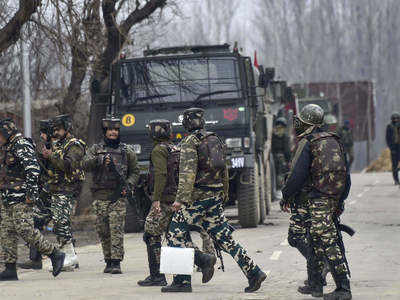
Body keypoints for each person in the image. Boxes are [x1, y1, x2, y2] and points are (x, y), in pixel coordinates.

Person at [162, 108, 267, 293]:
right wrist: (224, 193)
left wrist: (180, 200)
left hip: (196, 198)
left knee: (174, 234)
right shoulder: (214, 139)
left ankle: (183, 280)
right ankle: (254, 272)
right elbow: (224, 170)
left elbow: (188, 173)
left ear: (186, 123)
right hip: (214, 196)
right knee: (225, 238)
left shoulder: (189, 142)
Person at [282, 104, 352, 300]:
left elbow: (296, 175)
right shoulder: (334, 140)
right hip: (333, 198)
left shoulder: (308, 142)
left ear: (307, 124)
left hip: (318, 198)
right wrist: (341, 201)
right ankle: (315, 286)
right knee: (314, 240)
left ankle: (344, 289)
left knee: (328, 242)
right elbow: (346, 174)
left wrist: (286, 196)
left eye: (301, 122)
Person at [138, 119, 215, 286]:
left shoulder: (159, 150)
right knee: (176, 236)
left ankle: (158, 275)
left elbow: (161, 175)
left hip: (165, 200)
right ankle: (203, 260)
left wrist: (156, 199)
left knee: (150, 232)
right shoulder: (176, 148)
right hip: (177, 199)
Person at [0, 119, 65, 280]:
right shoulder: (8, 147)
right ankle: (10, 269)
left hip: (22, 197)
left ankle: (55, 253)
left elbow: (33, 170)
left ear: (6, 133)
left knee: (25, 229)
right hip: (8, 196)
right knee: (6, 231)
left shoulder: (21, 144)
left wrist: (31, 195)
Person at [83, 116, 139, 274]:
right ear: (105, 132)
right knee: (103, 230)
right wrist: (99, 160)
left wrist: (128, 185)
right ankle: (108, 260)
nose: (113, 132)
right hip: (100, 196)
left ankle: (116, 262)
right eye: (110, 130)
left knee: (116, 230)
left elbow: (135, 172)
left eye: (116, 130)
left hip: (117, 197)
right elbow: (84, 164)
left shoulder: (126, 151)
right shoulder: (96, 149)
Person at [41, 114, 86, 270]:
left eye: (59, 129)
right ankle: (68, 256)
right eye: (55, 129)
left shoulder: (75, 145)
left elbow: (68, 165)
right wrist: (46, 155)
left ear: (66, 128)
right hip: (56, 189)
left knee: (62, 222)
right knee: (59, 224)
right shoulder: (57, 144)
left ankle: (70, 256)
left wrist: (51, 155)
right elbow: (50, 168)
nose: (56, 132)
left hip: (68, 189)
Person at [19, 119, 54, 270]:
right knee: (35, 224)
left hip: (50, 194)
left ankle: (65, 255)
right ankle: (35, 258)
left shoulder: (53, 149)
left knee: (57, 225)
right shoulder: (42, 153)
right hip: (44, 194)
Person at [271, 117, 291, 190]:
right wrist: (288, 161)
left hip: (274, 157)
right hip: (280, 158)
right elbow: (287, 150)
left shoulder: (272, 135)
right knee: (282, 173)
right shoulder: (285, 136)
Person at [386, 113, 400, 185]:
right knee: (394, 165)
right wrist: (391, 148)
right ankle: (396, 180)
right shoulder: (389, 127)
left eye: (397, 118)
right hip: (394, 148)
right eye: (394, 118)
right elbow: (388, 138)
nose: (396, 120)